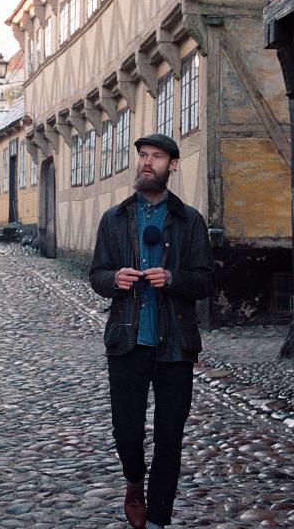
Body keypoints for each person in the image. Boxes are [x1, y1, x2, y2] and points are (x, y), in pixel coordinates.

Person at [89, 133, 214, 529]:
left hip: (175, 346)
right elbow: (96, 275)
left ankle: (159, 518)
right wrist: (114, 279)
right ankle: (133, 482)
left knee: (169, 438)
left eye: (156, 156)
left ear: (172, 165)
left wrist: (173, 277)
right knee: (127, 431)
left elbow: (206, 281)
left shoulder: (190, 221)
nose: (147, 162)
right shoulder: (115, 218)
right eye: (143, 155)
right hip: (128, 342)